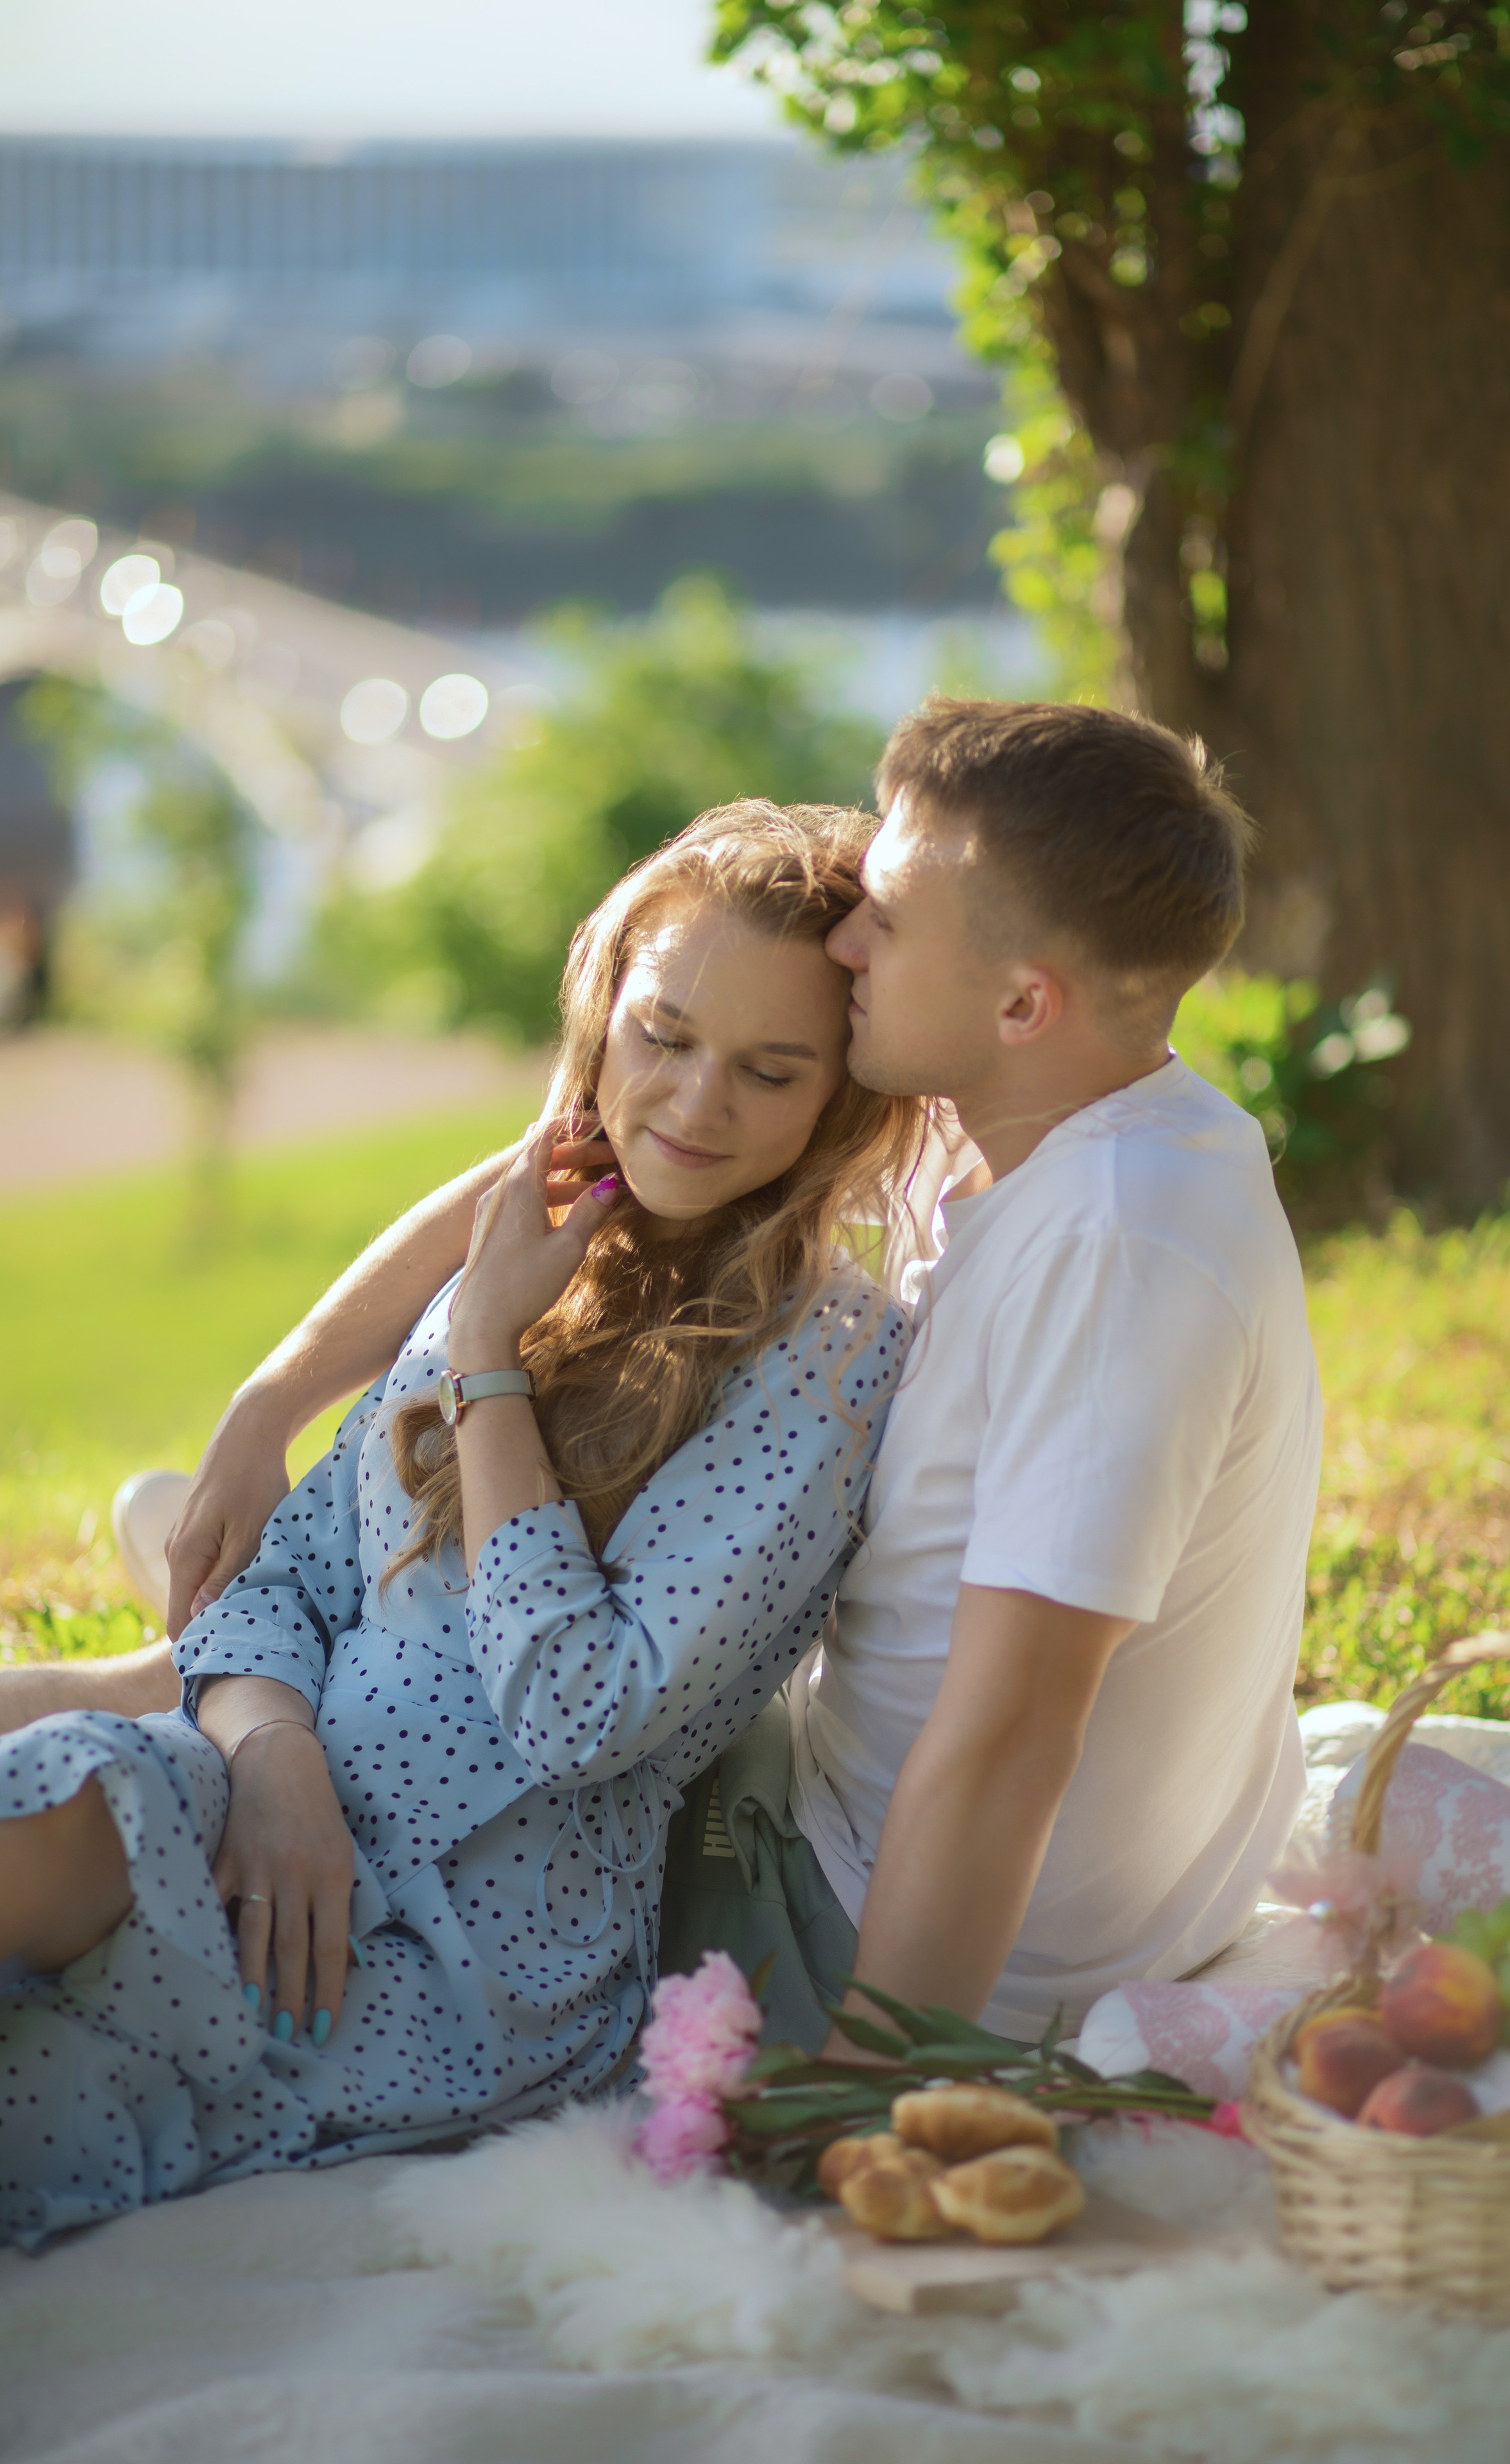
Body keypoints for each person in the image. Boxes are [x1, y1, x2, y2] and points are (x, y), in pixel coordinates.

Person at [8, 696, 1323, 2065]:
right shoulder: (1032, 1101)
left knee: (272, 1712)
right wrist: (271, 1403)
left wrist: (874, 2108)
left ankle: (244, 1663)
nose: (849, 939)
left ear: (1018, 1000)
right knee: (269, 1639)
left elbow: (1009, 1736)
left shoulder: (1113, 1252)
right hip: (820, 1793)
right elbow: (569, 1162)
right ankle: (233, 1654)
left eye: (887, 915)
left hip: (872, 1924)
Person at [0, 801, 921, 2243]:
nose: (691, 1102)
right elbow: (281, 1579)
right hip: (257, 1801)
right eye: (662, 1035)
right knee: (60, 1788)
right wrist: (276, 1757)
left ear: (837, 1102)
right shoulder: (547, 1240)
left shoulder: (819, 1367)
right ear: (605, 1011)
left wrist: (487, 1364)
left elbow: (578, 1714)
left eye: (769, 1069)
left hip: (463, 1944)